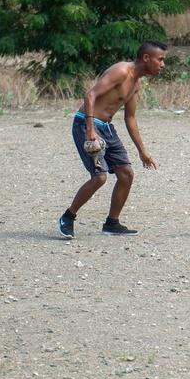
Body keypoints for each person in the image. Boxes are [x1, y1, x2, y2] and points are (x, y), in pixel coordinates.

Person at [57, 40, 167, 239]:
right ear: (146, 58)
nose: (162, 65)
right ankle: (68, 217)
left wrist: (142, 150)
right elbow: (90, 96)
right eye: (160, 60)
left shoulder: (136, 82)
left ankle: (112, 224)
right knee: (100, 177)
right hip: (86, 124)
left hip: (107, 128)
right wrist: (90, 129)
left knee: (126, 174)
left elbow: (130, 118)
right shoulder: (122, 71)